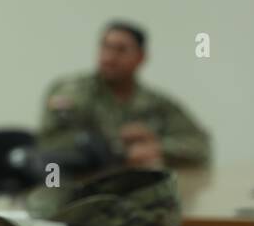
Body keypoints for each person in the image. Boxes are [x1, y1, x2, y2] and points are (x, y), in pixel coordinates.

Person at [37, 21, 210, 170]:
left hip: (139, 190)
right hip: (81, 190)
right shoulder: (71, 92)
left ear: (141, 57)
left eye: (121, 50)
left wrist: (158, 147)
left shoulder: (156, 103)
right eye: (105, 47)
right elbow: (50, 143)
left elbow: (200, 146)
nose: (109, 57)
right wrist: (119, 148)